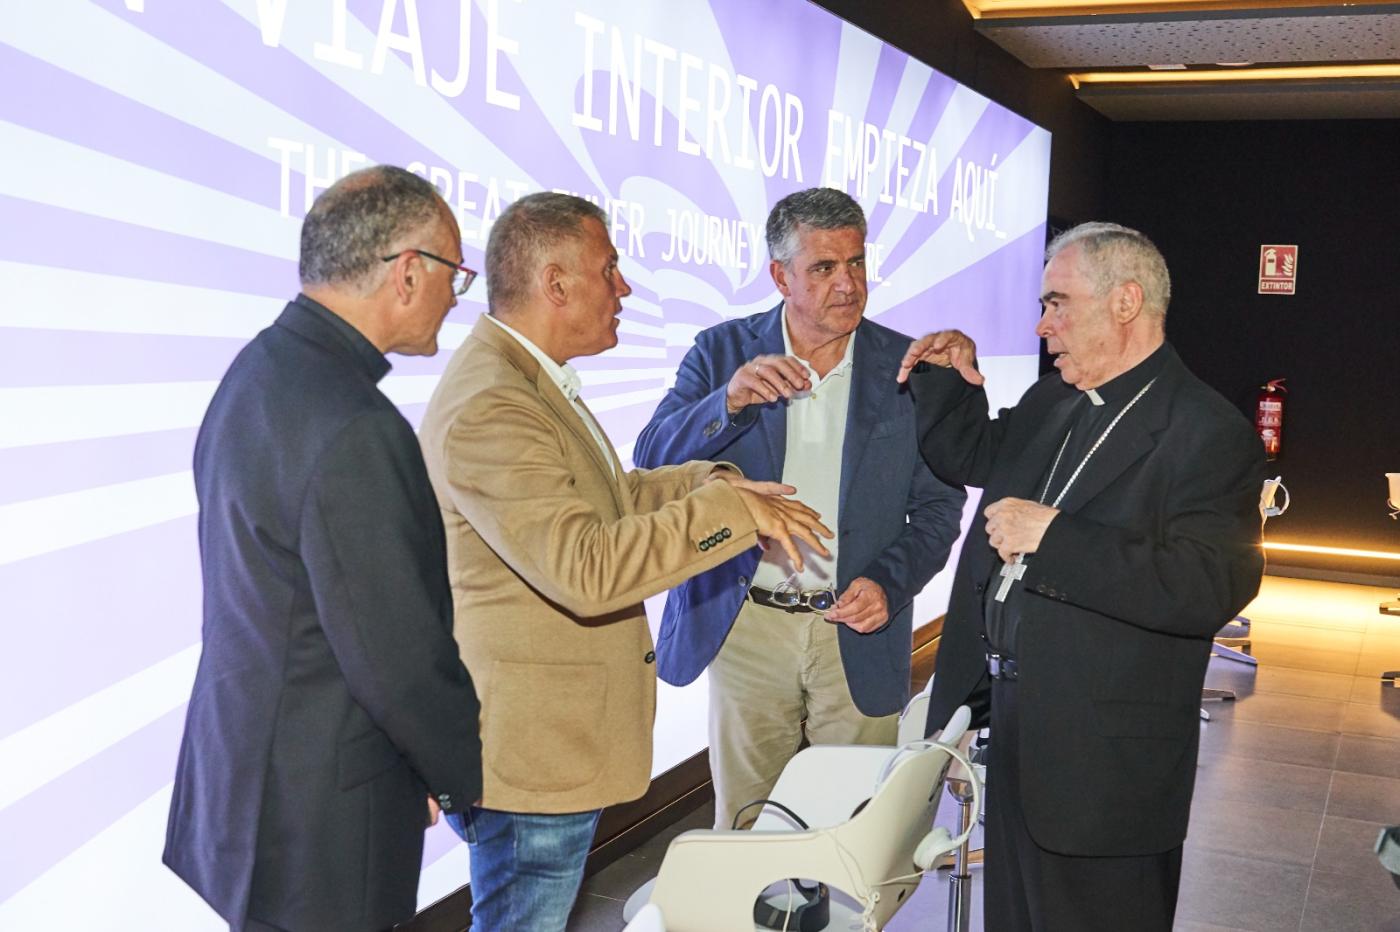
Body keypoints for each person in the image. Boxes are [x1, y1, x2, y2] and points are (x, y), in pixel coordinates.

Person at [416, 191, 832, 932]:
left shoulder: (523, 379)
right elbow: (587, 567)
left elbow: (610, 496)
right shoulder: (494, 403)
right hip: (530, 760)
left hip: (549, 753)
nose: (625, 288)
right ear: (556, 283)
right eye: (610, 270)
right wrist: (732, 513)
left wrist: (716, 482)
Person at [898, 222, 1266, 931]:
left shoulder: (1206, 432)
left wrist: (1055, 540)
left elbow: (1209, 584)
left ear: (1126, 301)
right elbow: (973, 454)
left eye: (1057, 303)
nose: (1042, 325)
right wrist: (952, 376)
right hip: (1015, 734)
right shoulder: (1053, 401)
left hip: (1107, 770)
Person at [164, 166, 484, 932]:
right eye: (455, 273)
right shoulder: (356, 424)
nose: (455, 294)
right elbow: (397, 654)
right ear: (409, 272)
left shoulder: (259, 370)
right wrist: (456, 772)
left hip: (250, 777)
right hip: (322, 811)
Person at [633, 187, 966, 830]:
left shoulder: (910, 370)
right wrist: (725, 403)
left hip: (860, 631)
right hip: (746, 627)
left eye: (857, 263)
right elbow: (651, 463)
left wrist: (889, 584)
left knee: (852, 833)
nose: (848, 284)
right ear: (779, 276)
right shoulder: (722, 353)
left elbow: (937, 509)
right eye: (824, 268)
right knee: (748, 831)